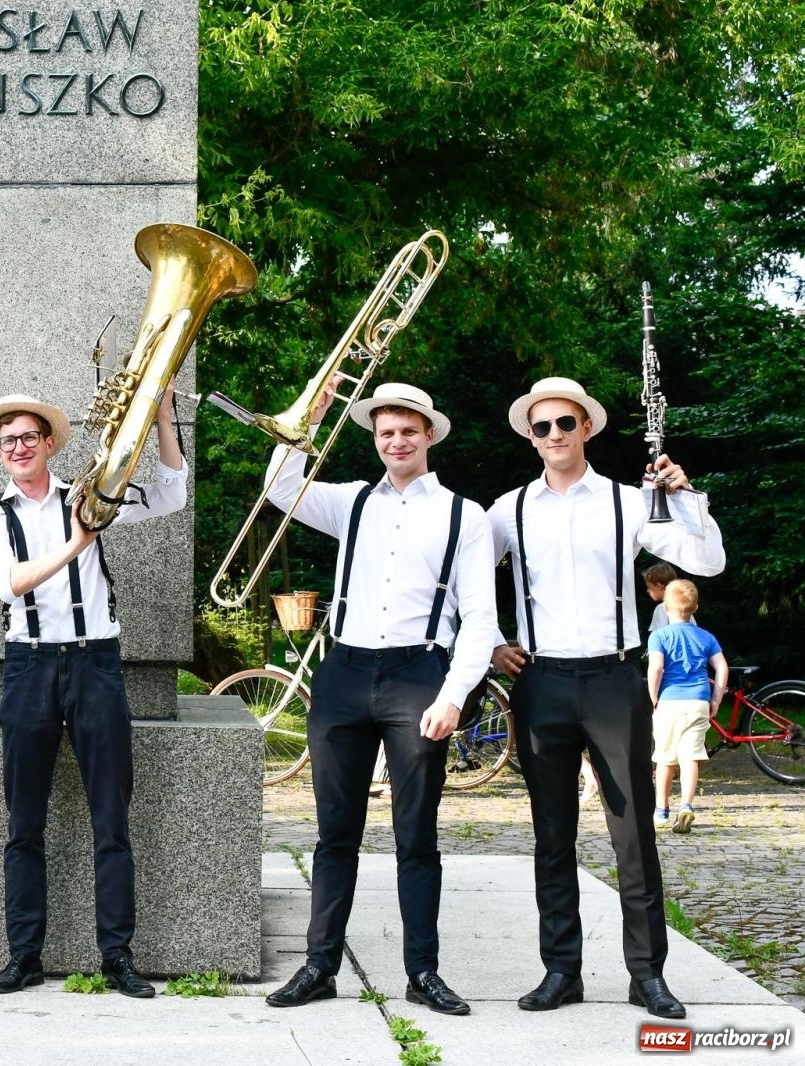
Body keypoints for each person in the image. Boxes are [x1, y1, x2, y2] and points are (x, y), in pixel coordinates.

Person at [488, 377, 725, 1021]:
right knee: (552, 835)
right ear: (530, 436)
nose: (555, 435)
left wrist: (686, 498)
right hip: (542, 683)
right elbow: (465, 582)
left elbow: (707, 561)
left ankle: (647, 974)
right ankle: (561, 971)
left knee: (632, 835)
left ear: (586, 428)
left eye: (566, 423)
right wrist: (488, 645)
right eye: (543, 427)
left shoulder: (629, 501)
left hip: (616, 682)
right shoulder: (507, 511)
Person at [259, 382, 499, 1017]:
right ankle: (319, 966)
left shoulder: (463, 515)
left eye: (408, 431)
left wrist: (454, 695)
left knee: (415, 835)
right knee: (334, 834)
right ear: (375, 438)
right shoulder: (351, 503)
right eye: (386, 432)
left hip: (419, 674)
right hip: (343, 673)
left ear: (428, 435)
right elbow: (280, 490)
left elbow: (479, 618)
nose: (397, 441)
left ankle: (423, 972)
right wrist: (303, 422)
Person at [0, 391, 187, 999]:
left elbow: (172, 493)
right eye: (7, 440)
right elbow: (8, 585)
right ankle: (24, 956)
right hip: (29, 668)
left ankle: (117, 955)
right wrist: (76, 543)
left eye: (28, 438)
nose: (18, 447)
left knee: (111, 819)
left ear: (49, 445)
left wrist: (164, 417)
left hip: (96, 664)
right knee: (24, 821)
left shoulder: (88, 495)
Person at [647, 579, 726, 834]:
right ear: (695, 608)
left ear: (665, 608)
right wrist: (716, 699)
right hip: (699, 702)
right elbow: (722, 667)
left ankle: (661, 810)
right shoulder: (706, 636)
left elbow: (656, 668)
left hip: (669, 701)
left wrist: (652, 696)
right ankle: (686, 805)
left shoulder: (660, 636)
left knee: (664, 756)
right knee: (691, 755)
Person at [643, 562, 678, 634]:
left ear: (659, 586)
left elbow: (661, 636)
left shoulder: (662, 608)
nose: (648, 591)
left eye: (649, 587)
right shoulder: (685, 606)